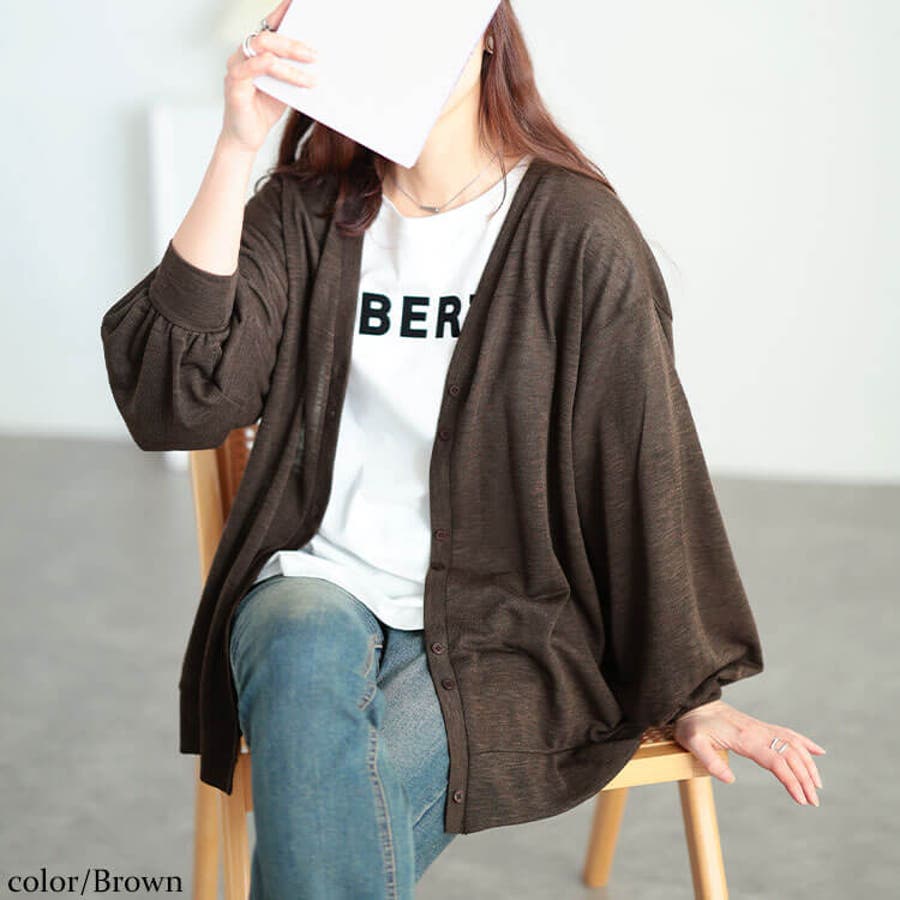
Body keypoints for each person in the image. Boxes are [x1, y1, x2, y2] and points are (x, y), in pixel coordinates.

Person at [101, 1, 826, 897]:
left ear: (485, 31)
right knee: (295, 661)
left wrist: (693, 693)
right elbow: (176, 402)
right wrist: (235, 144)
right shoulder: (304, 215)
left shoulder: (576, 233)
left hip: (510, 617)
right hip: (316, 578)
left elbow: (641, 463)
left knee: (320, 784)